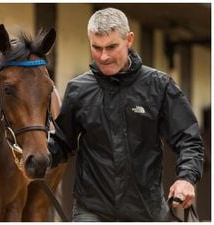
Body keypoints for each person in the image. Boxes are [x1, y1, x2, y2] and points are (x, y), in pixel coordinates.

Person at [48, 7, 204, 221]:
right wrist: (32, 157)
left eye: (112, 47)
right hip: (92, 211)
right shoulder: (78, 89)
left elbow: (190, 140)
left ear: (129, 40)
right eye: (96, 47)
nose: (104, 56)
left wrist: (187, 178)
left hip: (147, 212)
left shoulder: (159, 86)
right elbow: (61, 143)